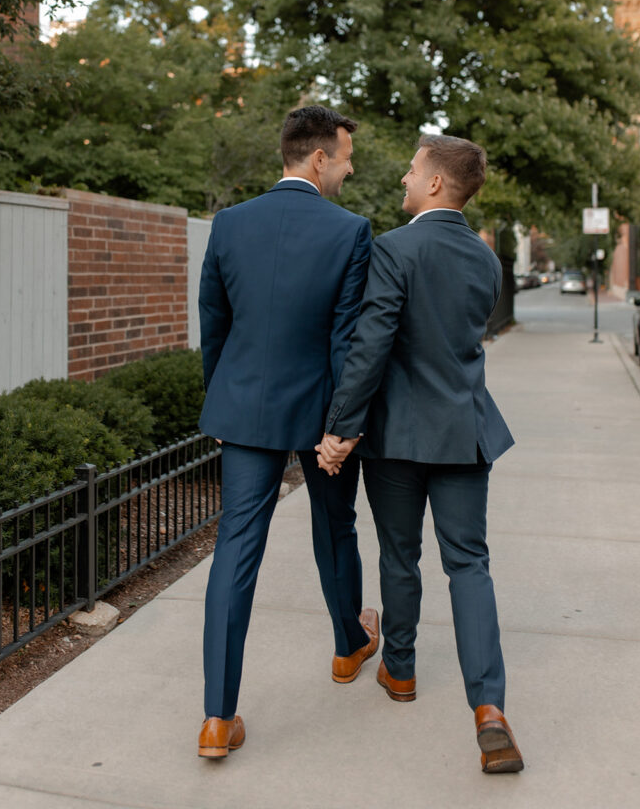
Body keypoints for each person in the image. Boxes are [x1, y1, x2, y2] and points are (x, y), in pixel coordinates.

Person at [316, 135, 524, 774]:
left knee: (399, 555)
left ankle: (399, 671)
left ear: (435, 183)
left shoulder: (394, 249)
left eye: (412, 170)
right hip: (464, 434)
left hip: (399, 437)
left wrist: (339, 430)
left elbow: (371, 345)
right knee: (470, 564)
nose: (404, 178)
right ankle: (489, 708)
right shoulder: (485, 261)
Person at [197, 105, 379, 759]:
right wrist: (342, 428)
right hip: (319, 413)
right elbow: (344, 342)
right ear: (318, 157)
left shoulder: (229, 223)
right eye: (346, 155)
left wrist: (222, 404)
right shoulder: (351, 230)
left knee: (234, 549)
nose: (350, 168)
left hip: (243, 410)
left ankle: (217, 719)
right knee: (335, 527)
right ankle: (347, 647)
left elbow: (213, 324)